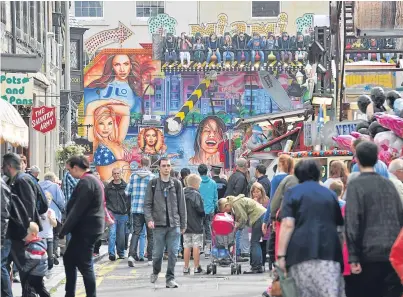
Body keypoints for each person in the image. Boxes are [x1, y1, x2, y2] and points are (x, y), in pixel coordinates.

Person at [277, 159, 344, 297]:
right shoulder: (330, 194)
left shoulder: (293, 192)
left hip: (300, 253)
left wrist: (281, 255)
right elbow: (339, 228)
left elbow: (288, 224)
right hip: (329, 253)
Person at [345, 141, 403, 297]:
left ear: (357, 159)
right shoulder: (389, 185)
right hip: (391, 252)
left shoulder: (355, 185)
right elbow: (399, 216)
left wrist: (353, 256)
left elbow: (352, 222)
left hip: (367, 253)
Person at [60, 155, 105, 297]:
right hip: (89, 228)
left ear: (76, 168)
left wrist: (63, 230)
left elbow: (77, 210)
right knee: (69, 258)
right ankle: (69, 293)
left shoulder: (86, 182)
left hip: (86, 229)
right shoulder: (91, 180)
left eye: (69, 169)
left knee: (85, 264)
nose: (69, 173)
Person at [2, 153, 43, 294]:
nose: (2, 168)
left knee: (23, 266)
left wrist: (27, 231)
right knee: (9, 265)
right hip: (16, 232)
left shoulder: (22, 180)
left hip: (22, 233)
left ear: (9, 166)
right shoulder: (13, 179)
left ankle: (30, 293)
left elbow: (29, 207)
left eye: (3, 165)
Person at [144, 157, 186, 288]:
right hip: (158, 225)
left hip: (174, 225)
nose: (166, 168)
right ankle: (155, 271)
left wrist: (183, 224)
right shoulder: (152, 184)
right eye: (164, 166)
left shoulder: (177, 184)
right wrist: (150, 219)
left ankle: (170, 279)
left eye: (168, 165)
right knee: (157, 255)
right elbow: (147, 205)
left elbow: (182, 205)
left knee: (173, 253)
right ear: (159, 168)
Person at [84, 99, 131, 181]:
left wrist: (108, 107)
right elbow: (90, 107)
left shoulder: (117, 140)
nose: (106, 128)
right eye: (101, 123)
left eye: (110, 123)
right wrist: (110, 100)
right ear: (95, 125)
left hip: (124, 187)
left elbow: (126, 111)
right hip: (108, 187)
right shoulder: (94, 142)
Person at [218, 194, 266, 274]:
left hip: (258, 217)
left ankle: (256, 267)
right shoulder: (234, 203)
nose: (228, 212)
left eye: (226, 211)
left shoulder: (236, 203)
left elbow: (242, 219)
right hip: (260, 216)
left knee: (254, 242)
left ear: (226, 205)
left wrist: (236, 227)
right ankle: (256, 266)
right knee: (255, 242)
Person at [126, 157, 155, 267]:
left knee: (136, 232)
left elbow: (127, 192)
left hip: (136, 209)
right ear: (149, 164)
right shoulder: (152, 177)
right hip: (149, 210)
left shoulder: (133, 176)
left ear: (140, 163)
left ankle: (131, 256)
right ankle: (150, 258)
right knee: (150, 234)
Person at [225, 158, 250, 261]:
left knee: (233, 230)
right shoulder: (241, 178)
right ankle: (236, 253)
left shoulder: (233, 176)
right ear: (245, 166)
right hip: (237, 207)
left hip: (230, 206)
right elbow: (237, 193)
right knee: (238, 230)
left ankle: (233, 252)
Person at [39, 172, 65, 260]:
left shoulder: (38, 185)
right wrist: (63, 210)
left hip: (41, 212)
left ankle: (42, 252)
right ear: (53, 179)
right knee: (55, 234)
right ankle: (53, 253)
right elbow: (61, 201)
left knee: (41, 234)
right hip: (54, 213)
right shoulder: (55, 186)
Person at [106, 168, 130, 261]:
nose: (116, 175)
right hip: (112, 214)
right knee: (112, 234)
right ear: (112, 174)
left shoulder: (126, 186)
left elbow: (129, 199)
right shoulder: (108, 187)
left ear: (121, 174)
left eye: (118, 173)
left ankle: (120, 253)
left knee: (121, 235)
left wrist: (127, 210)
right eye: (114, 173)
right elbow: (105, 200)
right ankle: (111, 254)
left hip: (123, 214)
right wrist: (108, 210)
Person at [183, 174, 205, 274]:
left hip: (185, 224)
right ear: (195, 184)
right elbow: (200, 210)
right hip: (196, 224)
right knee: (196, 245)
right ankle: (196, 267)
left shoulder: (182, 193)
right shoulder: (196, 195)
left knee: (186, 245)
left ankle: (186, 267)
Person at [22, 222, 49, 297]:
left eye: (26, 234)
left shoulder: (35, 246)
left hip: (36, 272)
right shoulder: (35, 244)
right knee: (39, 287)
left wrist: (25, 268)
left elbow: (35, 260)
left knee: (30, 286)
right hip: (39, 271)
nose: (24, 236)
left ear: (32, 235)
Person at [198, 164, 218, 259]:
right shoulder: (213, 183)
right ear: (207, 171)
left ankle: (199, 248)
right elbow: (215, 198)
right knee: (209, 229)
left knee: (199, 228)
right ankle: (208, 250)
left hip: (199, 210)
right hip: (210, 210)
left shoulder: (197, 183)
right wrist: (214, 207)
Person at [250, 182, 270, 268]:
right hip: (253, 226)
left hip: (264, 226)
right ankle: (254, 262)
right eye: (254, 192)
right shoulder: (250, 201)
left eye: (258, 192)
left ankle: (261, 263)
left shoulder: (267, 200)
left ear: (262, 192)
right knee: (254, 244)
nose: (256, 194)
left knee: (263, 245)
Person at [38, 192, 57, 278]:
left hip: (49, 237)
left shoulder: (51, 211)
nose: (47, 201)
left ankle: (50, 268)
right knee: (40, 257)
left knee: (50, 257)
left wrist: (50, 218)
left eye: (49, 199)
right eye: (46, 199)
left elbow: (55, 224)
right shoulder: (38, 211)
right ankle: (42, 272)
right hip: (39, 237)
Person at [1, 179, 12, 297]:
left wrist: (1, 238)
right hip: (4, 233)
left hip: (3, 234)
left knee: (1, 265)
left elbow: (4, 215)